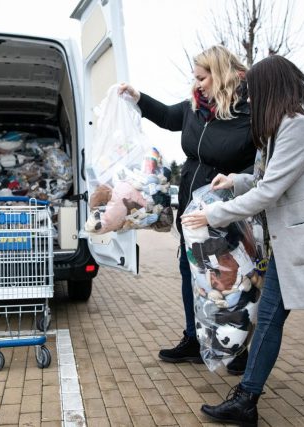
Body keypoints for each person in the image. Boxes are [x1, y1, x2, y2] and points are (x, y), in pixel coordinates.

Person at [182, 55, 304, 426]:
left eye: (253, 93)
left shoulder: (300, 125)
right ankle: (246, 399)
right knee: (271, 318)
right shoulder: (286, 123)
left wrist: (213, 215)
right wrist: (235, 181)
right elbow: (267, 180)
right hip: (299, 246)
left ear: (271, 87)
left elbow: (271, 190)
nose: (250, 101)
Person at [119, 45, 256, 373]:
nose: (196, 84)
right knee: (191, 274)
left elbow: (261, 168)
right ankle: (195, 339)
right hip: (192, 214)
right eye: (194, 78)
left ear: (221, 75)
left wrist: (239, 179)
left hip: (228, 214)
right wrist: (138, 97)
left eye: (202, 77)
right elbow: (167, 116)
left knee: (228, 279)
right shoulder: (195, 110)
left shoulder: (249, 116)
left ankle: (235, 346)